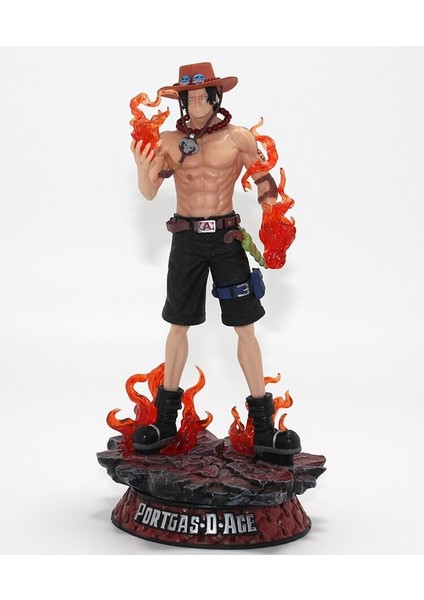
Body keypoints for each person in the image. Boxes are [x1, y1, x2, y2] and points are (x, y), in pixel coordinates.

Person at [130, 62, 300, 465]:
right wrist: (141, 166)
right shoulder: (170, 141)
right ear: (182, 101)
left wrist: (272, 216)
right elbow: (150, 191)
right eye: (189, 96)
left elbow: (264, 180)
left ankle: (263, 428)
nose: (196, 102)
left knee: (245, 327)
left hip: (226, 240)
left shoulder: (238, 138)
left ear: (215, 96)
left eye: (202, 95)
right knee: (178, 324)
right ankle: (165, 423)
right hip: (186, 239)